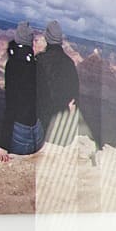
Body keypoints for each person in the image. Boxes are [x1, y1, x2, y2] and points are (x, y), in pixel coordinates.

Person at [35, 19, 84, 147]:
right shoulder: (69, 63)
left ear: (47, 38)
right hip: (59, 119)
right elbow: (75, 96)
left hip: (39, 116)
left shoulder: (39, 60)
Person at [0, 23, 42, 162]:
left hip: (20, 132)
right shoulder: (35, 64)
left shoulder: (13, 65)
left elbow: (11, 105)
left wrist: (3, 144)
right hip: (38, 131)